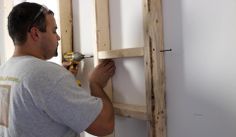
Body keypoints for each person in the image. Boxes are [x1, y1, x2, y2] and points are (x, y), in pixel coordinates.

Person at [0, 2, 115, 137]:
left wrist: (61, 81)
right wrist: (95, 84)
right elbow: (105, 126)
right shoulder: (45, 74)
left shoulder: (5, 70)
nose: (58, 37)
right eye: (54, 30)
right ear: (35, 34)